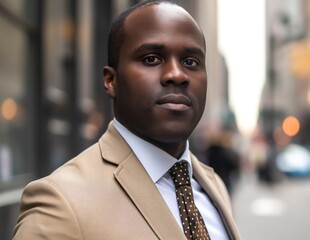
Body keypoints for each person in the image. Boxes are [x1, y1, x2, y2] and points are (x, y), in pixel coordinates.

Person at [13, 1, 241, 239]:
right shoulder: (60, 205)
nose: (177, 74)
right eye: (152, 59)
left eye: (190, 62)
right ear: (111, 80)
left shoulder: (213, 186)